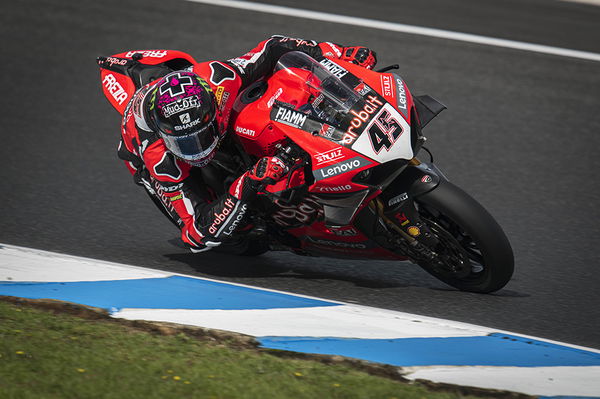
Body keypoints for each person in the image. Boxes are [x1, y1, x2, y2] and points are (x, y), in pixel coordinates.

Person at [117, 35, 377, 253]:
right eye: (186, 142)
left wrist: (339, 53)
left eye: (201, 136)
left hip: (199, 101)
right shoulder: (157, 156)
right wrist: (247, 184)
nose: (198, 148)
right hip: (145, 153)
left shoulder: (221, 79)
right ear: (166, 137)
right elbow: (195, 235)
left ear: (215, 110)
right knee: (228, 234)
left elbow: (274, 47)